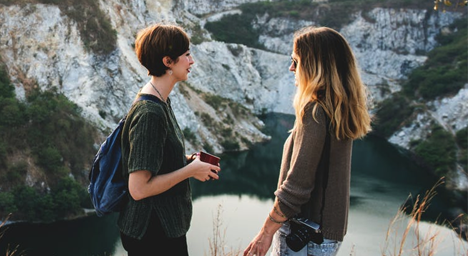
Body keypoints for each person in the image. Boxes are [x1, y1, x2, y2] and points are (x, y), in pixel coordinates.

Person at [244, 26, 371, 256]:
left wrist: (265, 232)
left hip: (303, 235)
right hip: (327, 235)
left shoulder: (314, 111)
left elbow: (297, 187)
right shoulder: (339, 109)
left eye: (296, 61)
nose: (291, 68)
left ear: (314, 66)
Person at [118, 23, 221, 256]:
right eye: (186, 55)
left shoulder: (160, 100)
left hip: (161, 228)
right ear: (167, 62)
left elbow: (155, 158)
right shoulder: (150, 113)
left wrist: (190, 161)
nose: (191, 61)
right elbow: (139, 189)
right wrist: (190, 170)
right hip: (152, 232)